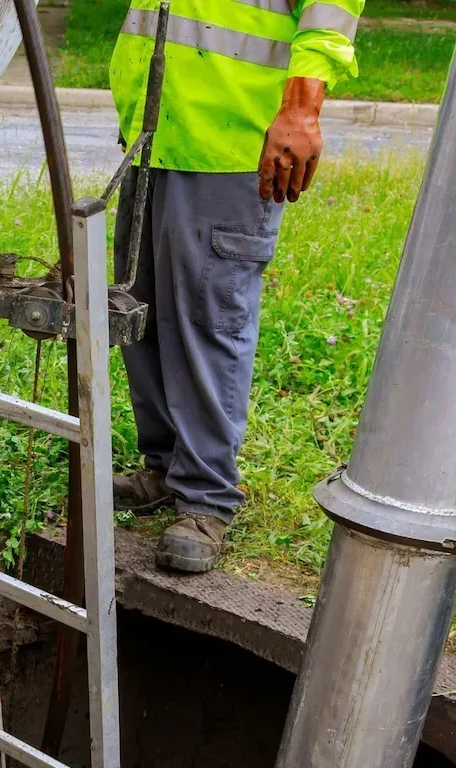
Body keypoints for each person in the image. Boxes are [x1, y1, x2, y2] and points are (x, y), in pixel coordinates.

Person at [109, 0, 363, 573]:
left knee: (207, 318)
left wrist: (302, 109)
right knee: (139, 309)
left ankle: (205, 498)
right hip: (156, 131)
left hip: (230, 139)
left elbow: (330, 10)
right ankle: (166, 465)